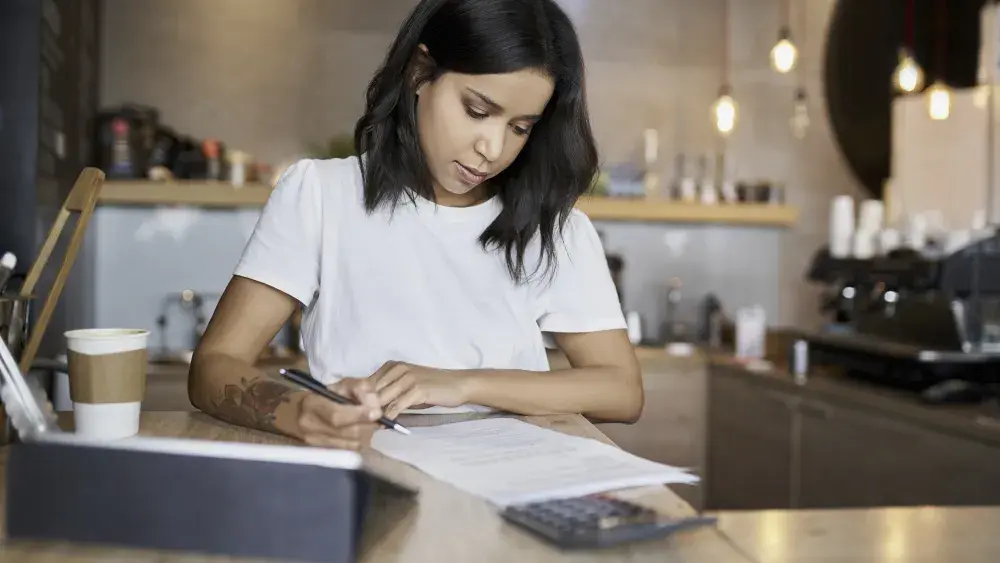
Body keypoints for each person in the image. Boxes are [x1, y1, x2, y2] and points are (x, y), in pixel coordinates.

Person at [188, 0, 643, 451]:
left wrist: (460, 385)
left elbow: (621, 392)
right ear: (420, 73)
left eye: (521, 128)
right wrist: (299, 411)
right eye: (478, 111)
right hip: (365, 469)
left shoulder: (554, 229)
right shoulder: (321, 194)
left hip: (509, 486)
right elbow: (215, 364)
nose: (493, 147)